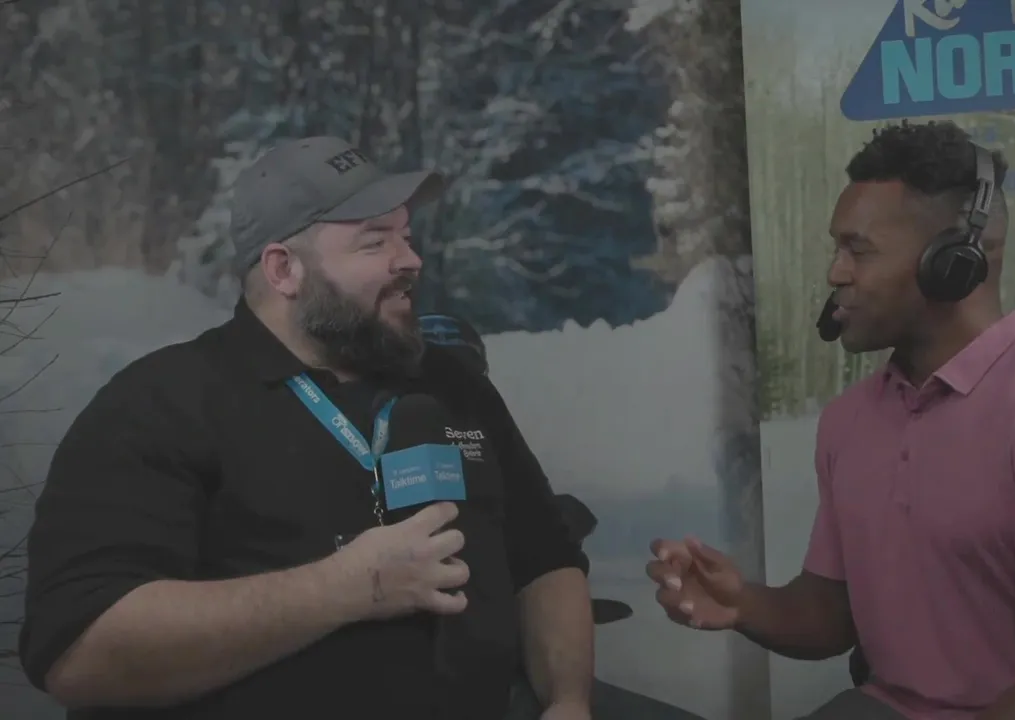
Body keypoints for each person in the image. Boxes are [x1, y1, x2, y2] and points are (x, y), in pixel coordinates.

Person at [20, 137, 594, 720]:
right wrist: (348, 588)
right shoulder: (161, 404)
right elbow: (80, 653)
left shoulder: (451, 383)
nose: (410, 260)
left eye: (405, 235)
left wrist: (568, 700)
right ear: (284, 269)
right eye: (375, 241)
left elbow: (545, 559)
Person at [646, 121, 1015, 720]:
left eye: (859, 250)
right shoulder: (848, 423)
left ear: (957, 259)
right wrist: (742, 603)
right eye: (837, 249)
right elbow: (828, 616)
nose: (836, 273)